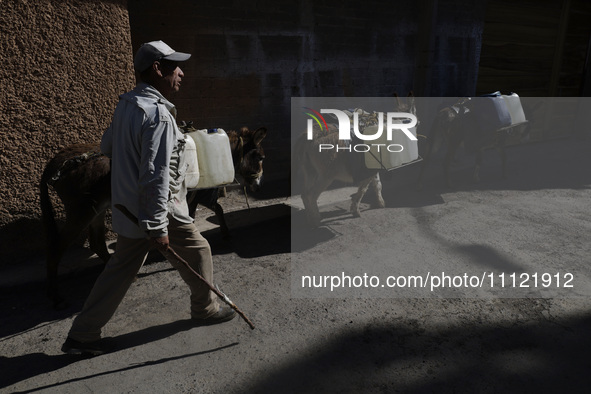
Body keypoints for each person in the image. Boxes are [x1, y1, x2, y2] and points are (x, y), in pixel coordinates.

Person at [61, 40, 235, 356]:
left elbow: (106, 147)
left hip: (129, 209)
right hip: (158, 209)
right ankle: (205, 308)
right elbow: (157, 175)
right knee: (199, 249)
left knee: (121, 268)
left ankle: (82, 335)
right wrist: (157, 226)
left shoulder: (127, 105)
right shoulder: (158, 115)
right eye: (175, 66)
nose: (181, 73)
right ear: (157, 69)